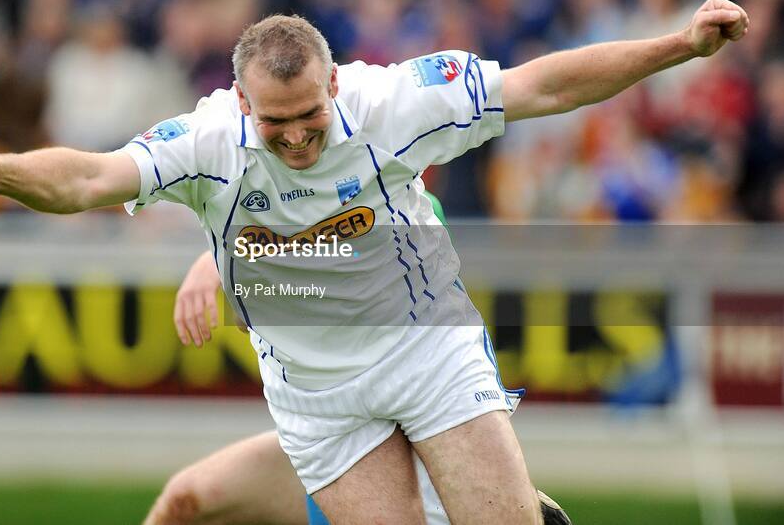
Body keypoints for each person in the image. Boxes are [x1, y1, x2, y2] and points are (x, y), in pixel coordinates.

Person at [0, 0, 748, 524]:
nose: (295, 138)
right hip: (317, 397)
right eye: (275, 121)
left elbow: (545, 88)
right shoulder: (209, 139)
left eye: (311, 118)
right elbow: (89, 177)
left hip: (424, 348)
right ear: (242, 100)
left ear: (335, 83)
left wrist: (678, 45)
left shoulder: (392, 102)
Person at [145, 193, 570, 525]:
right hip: (330, 421)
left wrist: (228, 263)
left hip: (405, 419)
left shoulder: (398, 195)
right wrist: (223, 260)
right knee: (185, 500)